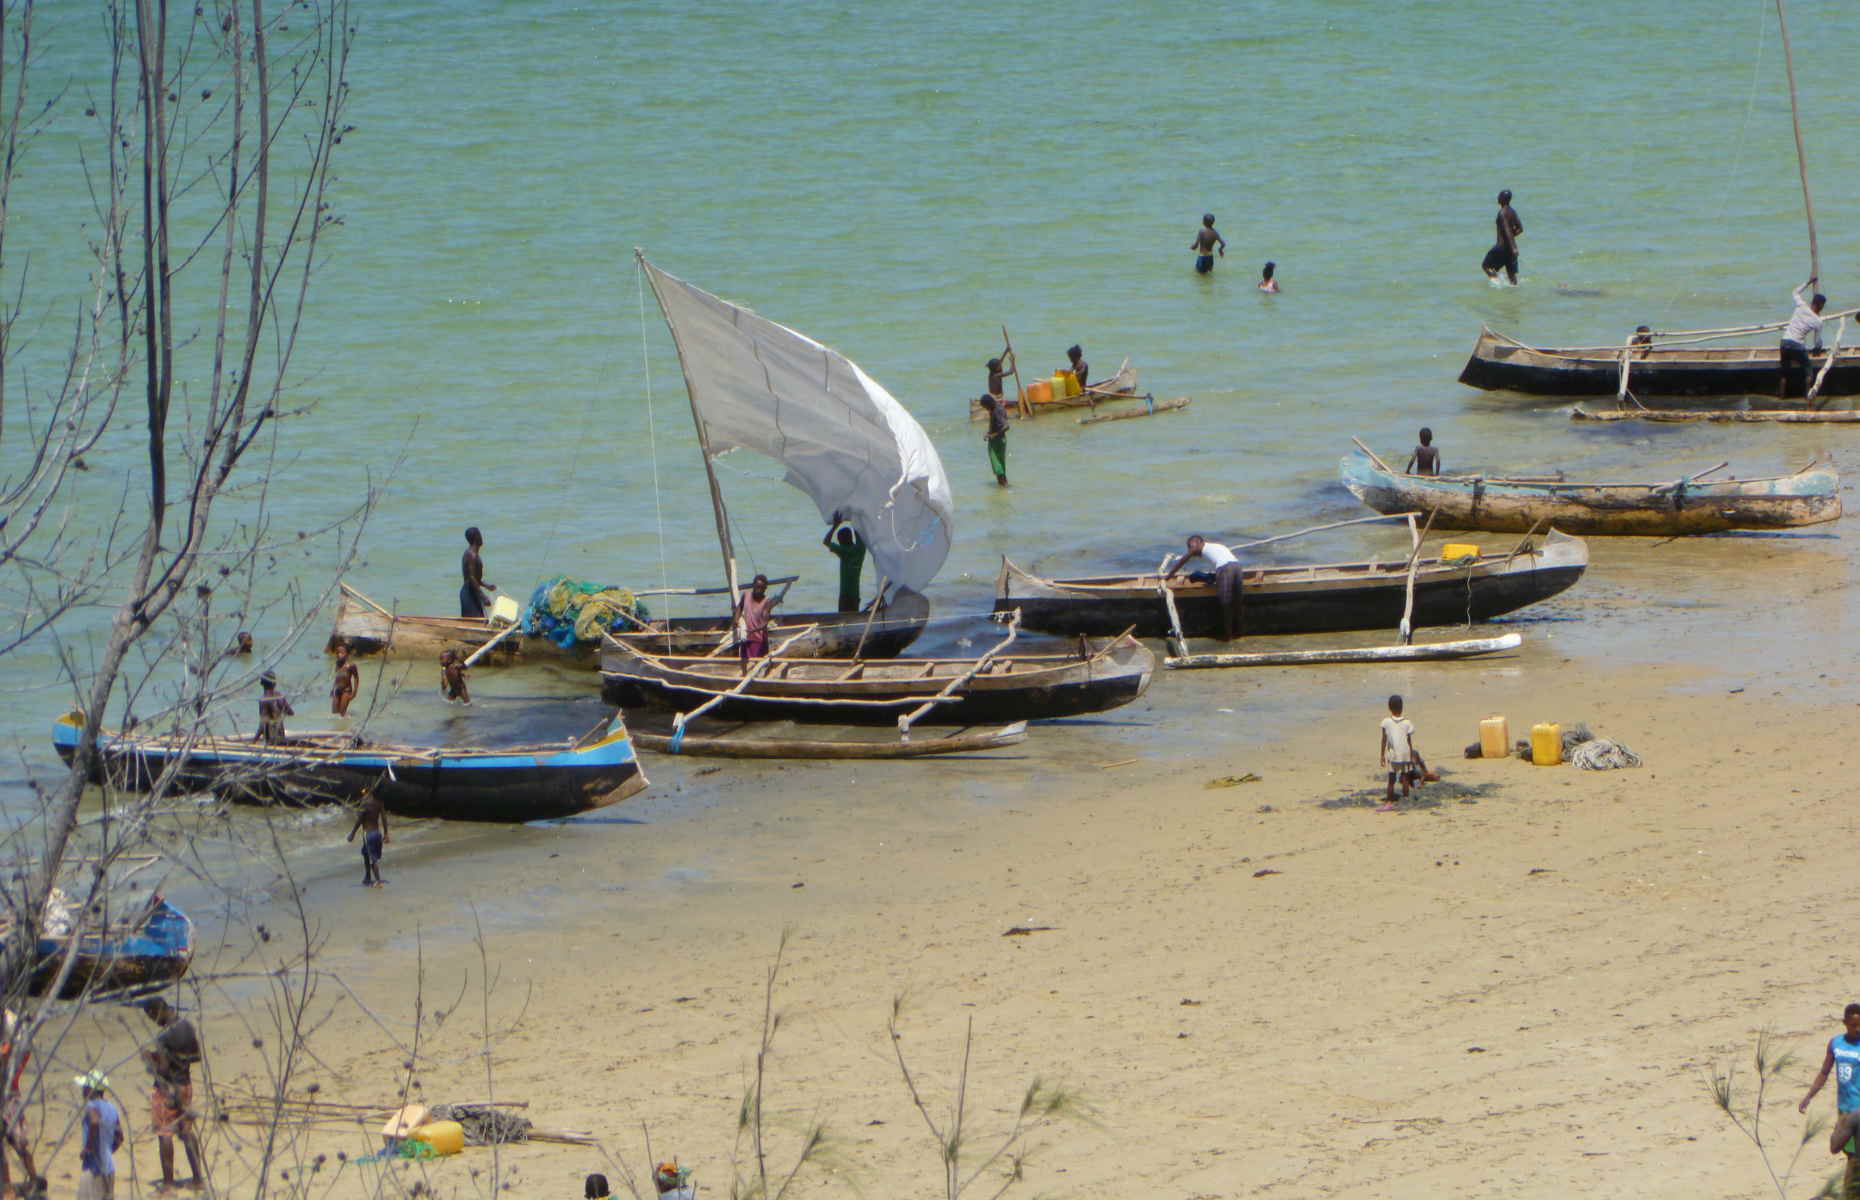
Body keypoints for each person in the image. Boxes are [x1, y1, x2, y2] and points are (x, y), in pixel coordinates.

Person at [141, 996, 204, 1192]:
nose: (155, 1022)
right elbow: (196, 1057)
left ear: (155, 1012)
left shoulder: (163, 1036)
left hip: (167, 1089)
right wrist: (177, 1059)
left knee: (164, 1134)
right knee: (186, 1131)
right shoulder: (187, 1027)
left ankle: (168, 1184)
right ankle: (198, 1179)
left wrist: (149, 1060)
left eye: (152, 1017)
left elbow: (163, 1068)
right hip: (185, 1085)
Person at [1801, 1002, 1860, 1196]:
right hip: (1844, 1107)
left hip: (1858, 1111)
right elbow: (1824, 1072)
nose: (1858, 1029)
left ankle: (1850, 1190)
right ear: (1845, 1023)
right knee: (1847, 1151)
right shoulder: (1836, 1043)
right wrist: (1810, 1095)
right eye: (1854, 1025)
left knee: (1854, 1155)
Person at [1163, 534, 1244, 640]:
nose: (1190, 549)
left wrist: (1168, 577)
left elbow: (1182, 561)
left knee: (1225, 603)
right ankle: (1239, 633)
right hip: (1237, 567)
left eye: (1190, 546)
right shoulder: (1216, 546)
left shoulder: (1199, 547)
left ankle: (1228, 635)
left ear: (1197, 543)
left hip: (1225, 569)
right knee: (1237, 601)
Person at [0, 1012, 43, 1199]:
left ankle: (24, 1182)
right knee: (16, 1145)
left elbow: (22, 1049)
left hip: (10, 1100)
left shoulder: (11, 1060)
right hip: (10, 1099)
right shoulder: (13, 1059)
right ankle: (13, 1184)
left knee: (19, 1144)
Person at [1780, 277, 1827, 400]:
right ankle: (1808, 397)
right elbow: (1817, 342)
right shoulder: (1818, 321)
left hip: (1784, 342)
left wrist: (1808, 282)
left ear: (1812, 302)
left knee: (1785, 372)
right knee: (1808, 370)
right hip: (1797, 345)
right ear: (1820, 305)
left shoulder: (1801, 306)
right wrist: (1817, 349)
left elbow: (1795, 292)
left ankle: (1782, 397)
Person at [76, 1071, 120, 1200]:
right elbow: (119, 1136)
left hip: (93, 1166)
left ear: (91, 1089)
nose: (83, 1090)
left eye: (85, 1087)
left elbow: (94, 1121)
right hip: (109, 1166)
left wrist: (88, 1147)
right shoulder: (112, 1108)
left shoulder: (91, 1106)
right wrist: (107, 1149)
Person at [1378, 694, 1426, 812]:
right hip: (1405, 754)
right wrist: (1410, 755)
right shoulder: (1407, 722)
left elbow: (1384, 740)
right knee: (1405, 777)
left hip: (1393, 755)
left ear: (1389, 707)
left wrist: (1382, 755)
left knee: (1391, 779)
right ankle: (1405, 798)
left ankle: (1389, 801)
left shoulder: (1386, 722)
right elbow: (1409, 740)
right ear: (1402, 707)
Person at [822, 513, 866, 614]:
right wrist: (853, 519)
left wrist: (835, 525)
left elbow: (826, 541)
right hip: (855, 595)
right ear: (851, 538)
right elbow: (858, 531)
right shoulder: (860, 550)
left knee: (842, 621)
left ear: (840, 542)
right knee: (853, 622)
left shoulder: (843, 551)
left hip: (844, 595)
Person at [346, 789, 388, 887]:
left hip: (368, 835)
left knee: (373, 860)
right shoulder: (379, 803)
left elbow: (360, 820)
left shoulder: (365, 804)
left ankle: (378, 881)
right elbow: (384, 818)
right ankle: (368, 877)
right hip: (377, 834)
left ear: (370, 794)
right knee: (365, 853)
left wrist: (352, 833)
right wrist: (386, 833)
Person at [1481, 189, 1524, 285]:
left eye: (1499, 196)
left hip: (1501, 247)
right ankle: (1513, 293)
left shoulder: (1502, 213)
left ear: (1503, 199)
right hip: (1510, 249)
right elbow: (1520, 229)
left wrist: (1512, 246)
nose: (1498, 197)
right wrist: (1512, 244)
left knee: (1485, 266)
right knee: (1512, 277)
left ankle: (1497, 282)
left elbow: (1507, 230)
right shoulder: (1512, 211)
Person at [734, 574, 778, 664]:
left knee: (757, 664)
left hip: (759, 639)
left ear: (765, 588)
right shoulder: (746, 595)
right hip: (746, 637)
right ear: (753, 586)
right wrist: (736, 620)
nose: (759, 590)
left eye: (761, 588)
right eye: (757, 587)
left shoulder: (767, 602)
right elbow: (739, 607)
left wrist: (752, 630)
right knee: (744, 663)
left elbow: (764, 623)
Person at [460, 526, 495, 619]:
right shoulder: (472, 555)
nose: (481, 537)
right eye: (480, 535)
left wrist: (487, 586)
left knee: (478, 620)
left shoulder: (473, 554)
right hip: (469, 593)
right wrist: (483, 596)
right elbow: (471, 578)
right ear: (476, 538)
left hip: (473, 592)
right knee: (475, 622)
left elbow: (475, 579)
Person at [979, 394, 1009, 487]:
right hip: (1000, 440)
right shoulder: (996, 409)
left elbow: (1006, 426)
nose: (985, 409)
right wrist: (989, 433)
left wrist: (993, 435)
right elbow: (996, 426)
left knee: (997, 466)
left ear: (988, 404)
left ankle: (1002, 486)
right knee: (1000, 465)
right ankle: (1004, 486)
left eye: (985, 407)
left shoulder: (996, 411)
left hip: (997, 441)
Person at [256, 672, 293, 745]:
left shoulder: (264, 699)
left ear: (261, 683)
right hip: (281, 736)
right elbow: (290, 713)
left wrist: (254, 741)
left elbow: (263, 724)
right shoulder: (280, 696)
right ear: (275, 683)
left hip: (270, 740)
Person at [330, 641, 359, 716]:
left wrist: (354, 693)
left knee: (342, 714)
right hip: (336, 690)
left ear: (347, 654)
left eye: (342, 652)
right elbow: (336, 678)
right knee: (334, 714)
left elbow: (356, 678)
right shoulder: (337, 664)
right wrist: (332, 689)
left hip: (346, 690)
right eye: (338, 653)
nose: (339, 655)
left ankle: (345, 726)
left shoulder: (351, 665)